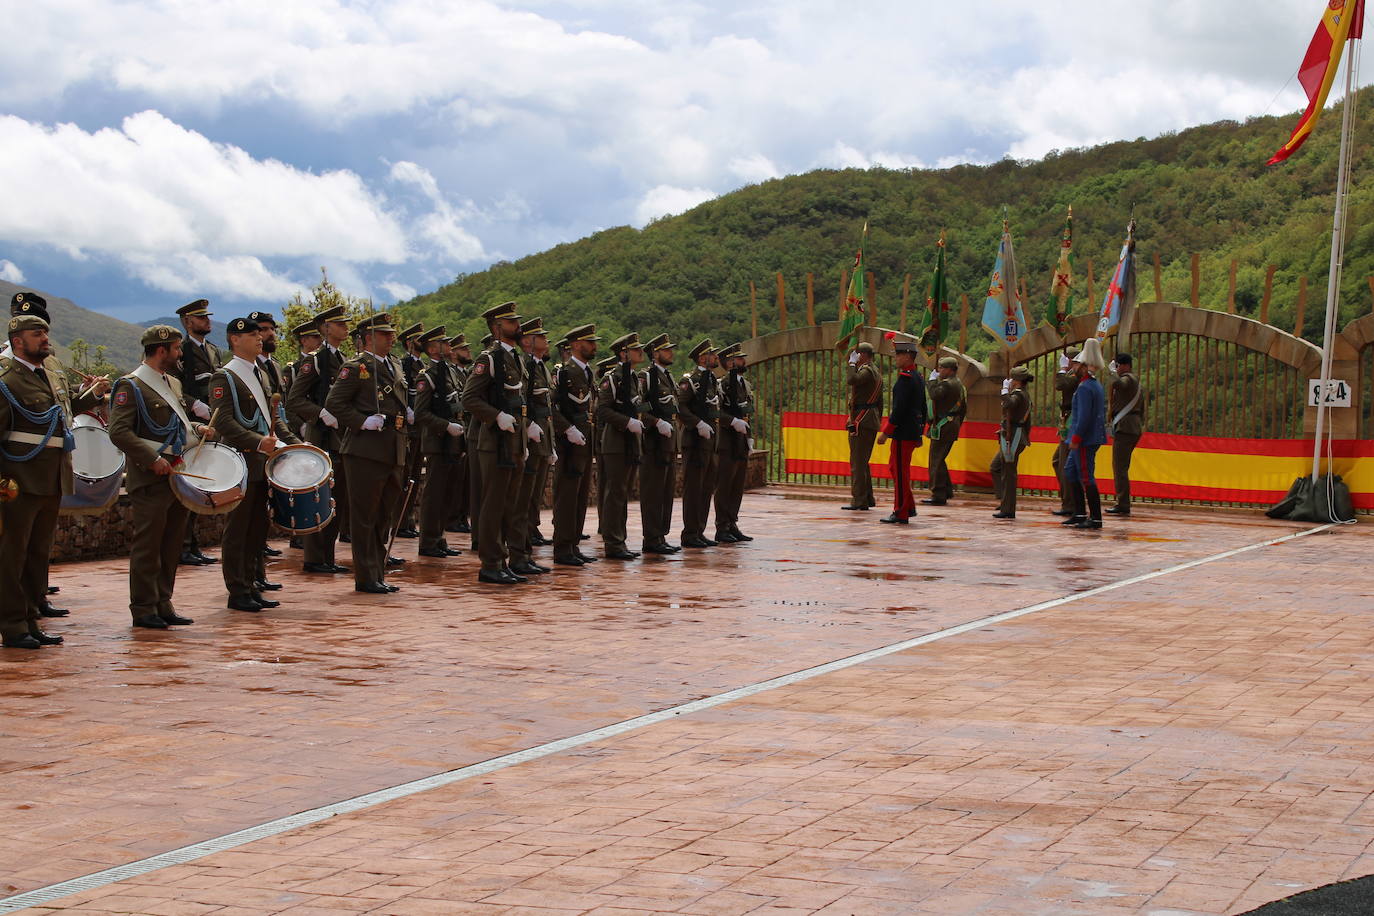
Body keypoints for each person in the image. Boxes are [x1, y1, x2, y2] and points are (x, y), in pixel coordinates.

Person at [0, 312, 108, 648]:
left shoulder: (49, 374)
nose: (45, 339)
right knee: (11, 555)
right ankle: (13, 624)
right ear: (18, 341)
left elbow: (63, 409)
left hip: (51, 477)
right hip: (18, 481)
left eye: (46, 333)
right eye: (37, 334)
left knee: (37, 553)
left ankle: (31, 618)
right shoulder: (6, 379)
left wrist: (91, 394)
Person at [108, 325, 216, 629]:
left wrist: (197, 429)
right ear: (161, 350)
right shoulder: (131, 385)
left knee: (171, 543)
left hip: (177, 473)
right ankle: (143, 608)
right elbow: (118, 431)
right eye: (177, 349)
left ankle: (163, 601)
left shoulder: (173, 384)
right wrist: (151, 458)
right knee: (149, 545)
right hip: (151, 476)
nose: (180, 354)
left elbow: (175, 425)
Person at [209, 317, 300, 611]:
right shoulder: (225, 377)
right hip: (240, 461)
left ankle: (251, 584)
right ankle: (237, 590)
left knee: (256, 529)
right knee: (238, 530)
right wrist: (258, 441)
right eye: (251, 334)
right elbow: (222, 421)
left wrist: (297, 444)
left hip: (262, 462)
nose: (259, 337)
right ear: (235, 340)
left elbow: (274, 419)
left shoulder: (260, 374)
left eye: (259, 333)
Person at [325, 314, 410, 593]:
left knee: (384, 514)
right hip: (365, 449)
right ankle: (366, 576)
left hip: (393, 446)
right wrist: (361, 421)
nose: (391, 337)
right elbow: (335, 403)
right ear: (369, 338)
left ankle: (378, 570)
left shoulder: (394, 364)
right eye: (385, 334)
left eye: (391, 333)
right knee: (365, 516)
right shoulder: (357, 367)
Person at [462, 303, 530, 584]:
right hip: (495, 443)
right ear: (497, 327)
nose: (517, 324)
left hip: (514, 441)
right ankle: (490, 563)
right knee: (493, 504)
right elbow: (469, 399)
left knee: (508, 505)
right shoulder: (489, 359)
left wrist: (523, 438)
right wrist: (496, 416)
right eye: (511, 321)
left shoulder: (515, 358)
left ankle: (501, 560)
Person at [286, 304, 351, 574]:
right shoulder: (313, 360)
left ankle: (327, 556)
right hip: (322, 437)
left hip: (339, 437)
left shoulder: (342, 358)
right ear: (325, 328)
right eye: (340, 324)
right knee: (319, 498)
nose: (345, 328)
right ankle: (314, 557)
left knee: (336, 499)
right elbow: (295, 399)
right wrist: (320, 413)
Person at [175, 298, 220, 566]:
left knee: (199, 483)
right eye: (201, 318)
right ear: (187, 322)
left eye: (207, 317)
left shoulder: (213, 351)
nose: (207, 321)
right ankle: (183, 545)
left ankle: (192, 545)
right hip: (191, 421)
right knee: (188, 482)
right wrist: (195, 405)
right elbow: (175, 386)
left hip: (210, 422)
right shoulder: (180, 350)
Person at [412, 326, 464, 559]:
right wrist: (445, 426)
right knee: (434, 494)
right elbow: (421, 412)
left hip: (453, 442)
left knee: (447, 493)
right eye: (443, 343)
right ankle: (428, 540)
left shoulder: (449, 372)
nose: (449, 345)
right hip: (437, 441)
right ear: (432, 349)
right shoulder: (427, 375)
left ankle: (439, 536)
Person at [550, 325, 599, 567]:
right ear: (577, 345)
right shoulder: (565, 372)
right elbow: (552, 406)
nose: (594, 347)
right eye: (590, 343)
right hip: (569, 444)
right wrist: (567, 429)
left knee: (579, 497)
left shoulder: (587, 372)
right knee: (566, 497)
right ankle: (562, 548)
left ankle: (573, 544)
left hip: (584, 442)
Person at [596, 333, 647, 560]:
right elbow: (603, 410)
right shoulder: (612, 377)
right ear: (623, 353)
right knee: (614, 494)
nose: (641, 353)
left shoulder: (632, 377)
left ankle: (620, 540)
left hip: (630, 442)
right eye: (636, 350)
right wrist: (627, 422)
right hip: (616, 442)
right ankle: (613, 543)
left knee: (622, 494)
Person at [510, 318, 553, 575]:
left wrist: (552, 444)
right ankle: (518, 554)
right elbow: (523, 404)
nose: (546, 341)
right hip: (529, 439)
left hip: (541, 441)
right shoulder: (525, 364)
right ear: (528, 341)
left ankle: (524, 553)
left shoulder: (539, 366)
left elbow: (546, 407)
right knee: (521, 503)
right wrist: (526, 430)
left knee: (531, 501)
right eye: (541, 337)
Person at [876, 340, 927, 524]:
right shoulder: (918, 377)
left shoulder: (906, 378)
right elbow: (922, 408)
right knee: (898, 469)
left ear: (907, 356)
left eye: (898, 355)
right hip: (911, 432)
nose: (896, 358)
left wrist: (886, 432)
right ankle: (909, 506)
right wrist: (920, 433)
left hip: (903, 432)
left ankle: (900, 512)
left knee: (899, 471)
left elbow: (899, 410)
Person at [638, 333, 680, 554]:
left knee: (665, 492)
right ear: (655, 354)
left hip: (668, 444)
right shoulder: (646, 377)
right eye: (666, 350)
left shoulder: (667, 377)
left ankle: (660, 535)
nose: (670, 353)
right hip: (653, 444)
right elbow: (639, 408)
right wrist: (655, 422)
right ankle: (651, 537)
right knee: (653, 492)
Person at [676, 339, 720, 547]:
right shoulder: (690, 381)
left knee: (705, 488)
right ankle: (690, 533)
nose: (717, 357)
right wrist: (697, 423)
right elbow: (681, 408)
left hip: (709, 442)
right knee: (693, 488)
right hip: (694, 441)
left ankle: (699, 530)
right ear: (703, 358)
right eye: (713, 354)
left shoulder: (711, 380)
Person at [1064, 338, 1108, 529]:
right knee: (1070, 471)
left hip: (1084, 439)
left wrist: (1076, 438)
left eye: (1076, 364)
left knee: (1085, 476)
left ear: (1083, 366)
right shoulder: (1093, 385)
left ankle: (1095, 518)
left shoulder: (1084, 387)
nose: (1073, 368)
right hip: (1088, 437)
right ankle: (1080, 513)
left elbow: (1083, 417)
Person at [713, 343, 754, 543]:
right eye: (738, 358)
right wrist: (732, 422)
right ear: (729, 362)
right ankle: (721, 526)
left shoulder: (743, 384)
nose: (743, 361)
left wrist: (750, 435)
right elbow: (717, 412)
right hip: (727, 439)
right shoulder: (721, 384)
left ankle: (732, 523)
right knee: (725, 484)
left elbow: (747, 412)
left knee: (737, 485)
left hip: (741, 440)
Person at [841, 341, 881, 510]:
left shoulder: (866, 371)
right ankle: (867, 498)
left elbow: (852, 380)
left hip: (862, 420)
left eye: (857, 355)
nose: (855, 358)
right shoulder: (876, 371)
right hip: (868, 418)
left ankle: (859, 500)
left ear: (863, 355)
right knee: (862, 461)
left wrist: (851, 364)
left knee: (857, 462)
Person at [990, 366, 1034, 520]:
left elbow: (1009, 404)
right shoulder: (1021, 394)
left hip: (1013, 436)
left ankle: (1008, 508)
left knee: (1009, 473)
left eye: (1012, 379)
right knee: (996, 467)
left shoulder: (1020, 394)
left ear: (1017, 381)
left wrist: (1004, 391)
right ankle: (1004, 500)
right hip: (1012, 434)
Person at [395, 323, 426, 539]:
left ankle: (409, 520)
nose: (422, 341)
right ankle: (400, 522)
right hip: (409, 427)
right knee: (405, 477)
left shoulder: (421, 364)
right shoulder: (405, 363)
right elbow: (403, 392)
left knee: (414, 477)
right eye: (418, 338)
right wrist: (407, 410)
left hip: (419, 428)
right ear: (409, 342)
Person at [924, 356, 967, 506]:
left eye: (942, 368)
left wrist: (931, 381)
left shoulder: (948, 384)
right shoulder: (959, 384)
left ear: (949, 370)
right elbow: (963, 409)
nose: (939, 370)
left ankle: (938, 494)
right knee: (939, 458)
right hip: (950, 425)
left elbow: (934, 394)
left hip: (944, 426)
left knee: (935, 459)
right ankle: (946, 490)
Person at [1107, 352, 1145, 516]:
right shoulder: (1134, 380)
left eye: (1119, 365)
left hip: (1126, 427)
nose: (1118, 369)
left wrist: (1112, 373)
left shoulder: (1128, 379)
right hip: (1130, 426)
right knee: (1121, 466)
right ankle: (1122, 501)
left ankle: (1123, 503)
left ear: (1126, 365)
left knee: (1120, 467)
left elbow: (1118, 385)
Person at [445, 334, 473, 535]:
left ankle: (462, 517)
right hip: (456, 430)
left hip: (466, 429)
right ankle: (453, 518)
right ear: (454, 353)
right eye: (463, 349)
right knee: (454, 481)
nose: (468, 352)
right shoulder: (452, 373)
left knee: (465, 481)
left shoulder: (464, 374)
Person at [1051, 347, 1080, 517]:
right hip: (1066, 421)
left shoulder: (1075, 377)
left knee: (1064, 464)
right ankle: (1067, 498)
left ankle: (1069, 503)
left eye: (1065, 359)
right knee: (1057, 461)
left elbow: (1060, 385)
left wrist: (1062, 369)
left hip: (1070, 423)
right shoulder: (1072, 376)